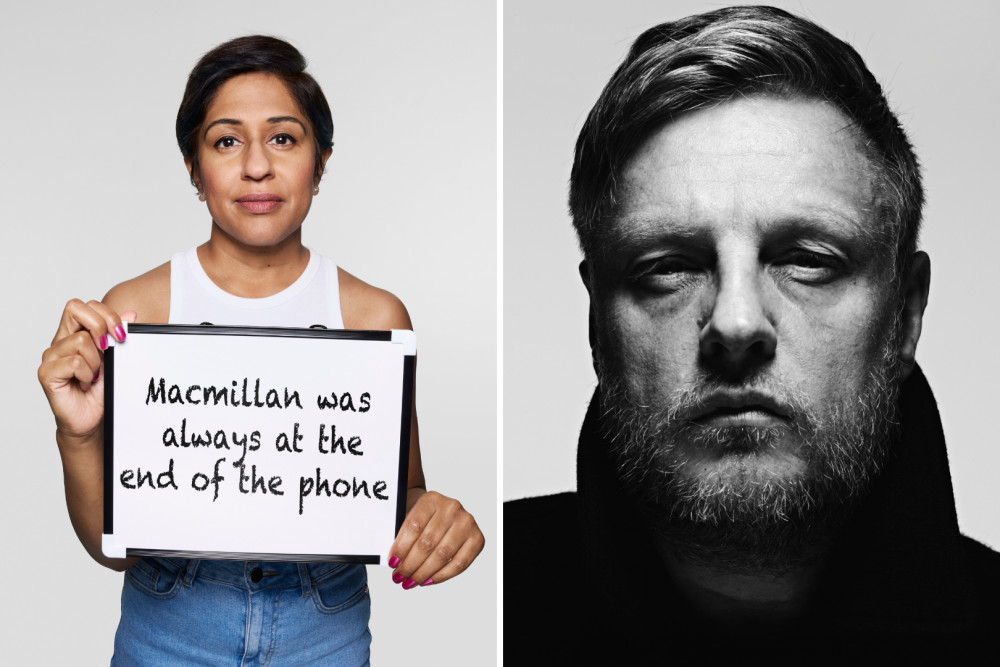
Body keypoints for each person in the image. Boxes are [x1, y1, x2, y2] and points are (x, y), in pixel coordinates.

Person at [505, 5, 1000, 661]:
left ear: (904, 317)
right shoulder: (472, 612)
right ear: (597, 320)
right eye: (669, 267)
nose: (736, 324)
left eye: (810, 261)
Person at [37, 35, 484, 665]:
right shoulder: (136, 310)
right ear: (194, 169)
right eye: (225, 140)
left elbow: (397, 496)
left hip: (323, 629)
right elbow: (116, 548)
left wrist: (437, 520)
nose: (255, 167)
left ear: (320, 163)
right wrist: (77, 437)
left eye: (283, 138)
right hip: (170, 626)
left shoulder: (374, 316)